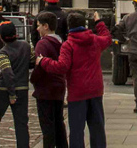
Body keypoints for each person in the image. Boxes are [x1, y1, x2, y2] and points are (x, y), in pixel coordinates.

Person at [37, 10, 112, 148]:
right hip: (95, 90)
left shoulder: (69, 45)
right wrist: (99, 22)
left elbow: (61, 67)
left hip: (77, 93)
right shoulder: (94, 40)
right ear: (84, 24)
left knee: (77, 131)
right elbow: (107, 38)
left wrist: (43, 61)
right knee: (97, 128)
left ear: (69, 26)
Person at [0, 20, 32, 148]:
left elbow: (7, 73)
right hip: (23, 88)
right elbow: (32, 61)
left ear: (0, 37)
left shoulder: (3, 52)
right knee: (21, 123)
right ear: (16, 33)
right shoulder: (26, 46)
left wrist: (11, 94)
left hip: (4, 90)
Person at [32, 11, 68, 148]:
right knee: (59, 123)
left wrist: (33, 79)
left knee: (47, 126)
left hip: (45, 89)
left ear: (46, 26)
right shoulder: (61, 42)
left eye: (39, 25)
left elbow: (39, 68)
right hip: (59, 87)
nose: (37, 29)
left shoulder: (42, 44)